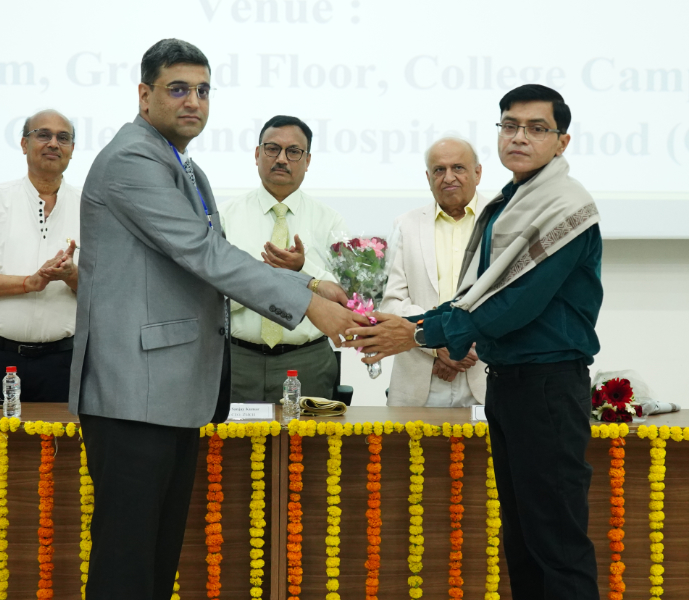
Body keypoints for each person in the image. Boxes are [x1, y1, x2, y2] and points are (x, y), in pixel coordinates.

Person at [69, 39, 367, 600]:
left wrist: (310, 284)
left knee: (155, 557)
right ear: (144, 95)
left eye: (203, 91)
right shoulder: (133, 160)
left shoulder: (184, 166)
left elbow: (217, 258)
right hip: (134, 389)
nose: (193, 102)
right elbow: (204, 255)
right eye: (178, 89)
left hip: (169, 389)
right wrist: (310, 306)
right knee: (127, 560)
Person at [345, 84, 602, 600]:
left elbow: (514, 304)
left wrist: (418, 331)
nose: (520, 137)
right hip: (510, 386)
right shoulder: (511, 203)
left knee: (557, 543)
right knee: (523, 540)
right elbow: (473, 297)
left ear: (562, 141)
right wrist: (416, 326)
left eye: (536, 128)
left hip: (547, 388)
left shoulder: (564, 207)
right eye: (510, 125)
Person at [220, 115, 349, 402]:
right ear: (257, 154)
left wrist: (303, 270)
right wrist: (262, 279)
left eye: (293, 152)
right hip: (237, 358)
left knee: (308, 435)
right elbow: (212, 292)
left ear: (308, 160)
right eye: (272, 149)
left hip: (307, 360)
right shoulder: (226, 216)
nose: (281, 159)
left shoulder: (330, 221)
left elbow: (344, 298)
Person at [0, 109, 80, 402]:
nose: (53, 143)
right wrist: (30, 283)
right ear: (24, 144)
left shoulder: (90, 206)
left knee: (65, 435)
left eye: (63, 138)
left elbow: (105, 291)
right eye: (43, 135)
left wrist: (72, 276)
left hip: (64, 362)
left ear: (72, 150)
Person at [381, 137, 489, 406]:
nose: (448, 177)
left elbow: (511, 300)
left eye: (458, 168)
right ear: (428, 178)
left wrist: (461, 345)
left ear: (478, 173)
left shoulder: (502, 220)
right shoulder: (405, 225)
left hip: (485, 376)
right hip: (419, 379)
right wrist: (436, 344)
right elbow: (391, 303)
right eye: (439, 170)